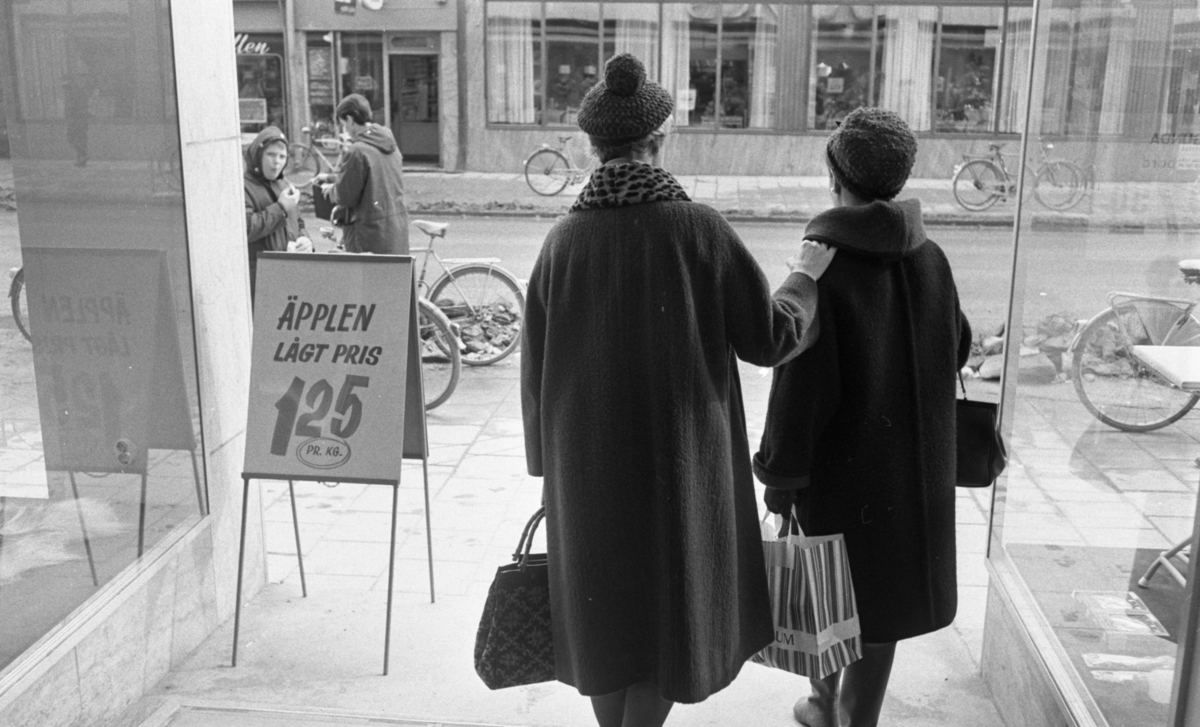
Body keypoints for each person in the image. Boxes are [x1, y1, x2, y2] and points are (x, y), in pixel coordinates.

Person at [520, 53, 836, 727]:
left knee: (606, 621)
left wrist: (547, 468)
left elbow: (535, 373)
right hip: (680, 468)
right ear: (659, 141)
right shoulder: (699, 231)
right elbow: (769, 338)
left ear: (593, 146)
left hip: (586, 471)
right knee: (671, 617)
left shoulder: (561, 242)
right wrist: (805, 279)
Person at [752, 107, 973, 727]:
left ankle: (825, 704)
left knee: (831, 589)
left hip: (841, 475)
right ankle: (857, 715)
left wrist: (780, 478)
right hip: (914, 473)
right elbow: (957, 345)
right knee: (883, 604)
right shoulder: (931, 256)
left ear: (835, 176)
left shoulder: (826, 267)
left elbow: (799, 390)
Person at [315, 93, 408, 255]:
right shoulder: (388, 143)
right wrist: (331, 178)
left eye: (344, 124)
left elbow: (346, 196)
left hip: (370, 235)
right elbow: (373, 178)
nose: (345, 130)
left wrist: (331, 190)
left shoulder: (357, 150)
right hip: (395, 230)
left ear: (350, 120)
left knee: (362, 272)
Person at [244, 126, 312, 303]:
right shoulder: (243, 186)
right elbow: (247, 228)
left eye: (282, 157)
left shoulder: (284, 185)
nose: (276, 162)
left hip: (289, 277)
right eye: (271, 155)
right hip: (260, 278)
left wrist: (306, 241)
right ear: (258, 155)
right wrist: (280, 208)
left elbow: (299, 222)